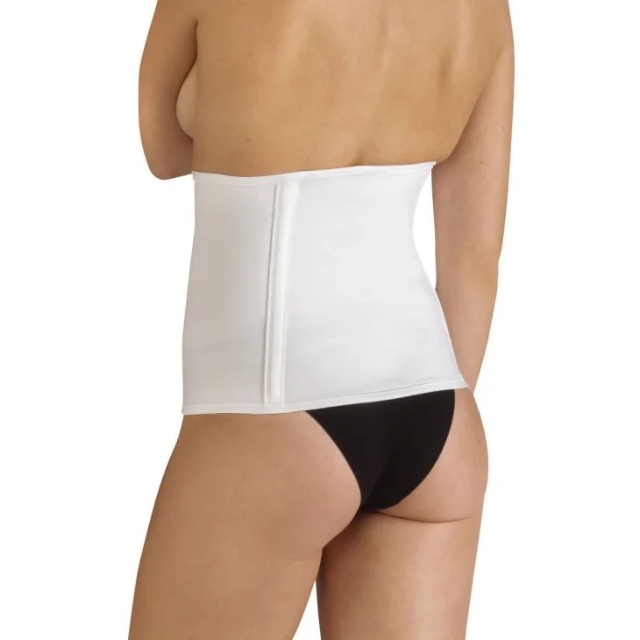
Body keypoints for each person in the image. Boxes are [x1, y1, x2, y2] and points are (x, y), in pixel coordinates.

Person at [131, 0, 513, 638]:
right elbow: (475, 262)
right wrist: (397, 419)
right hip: (435, 419)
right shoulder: (484, 11)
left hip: (271, 409)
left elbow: (163, 148)